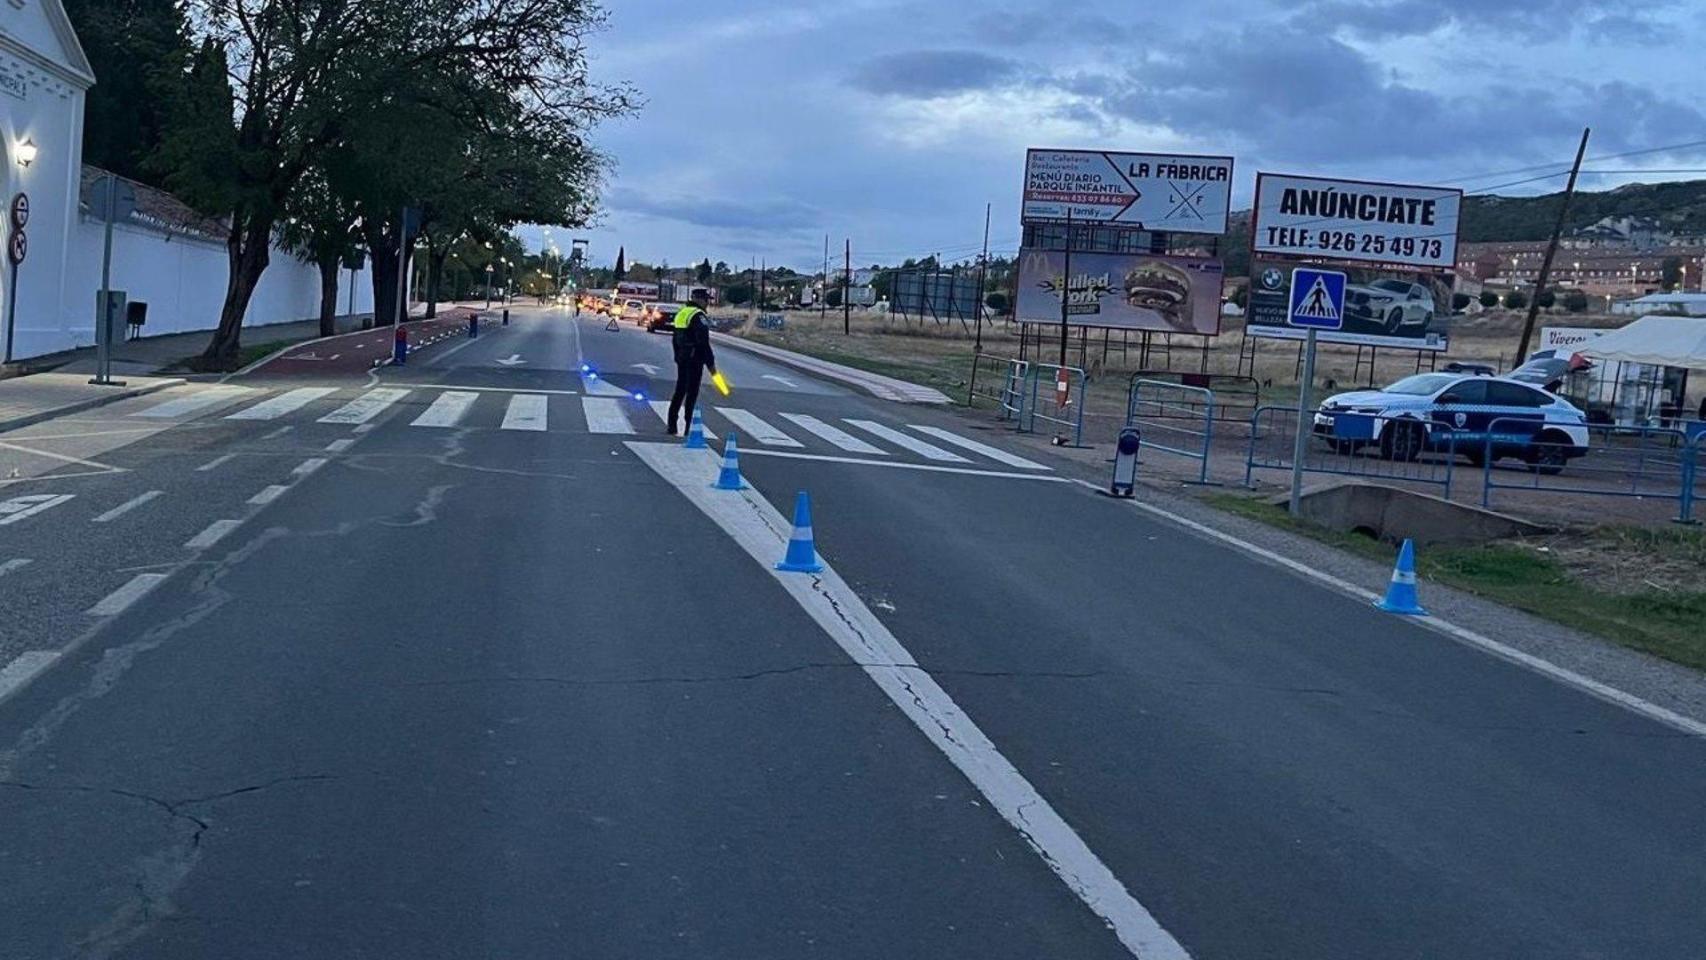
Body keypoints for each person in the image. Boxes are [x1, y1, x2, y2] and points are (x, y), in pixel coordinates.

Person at [667, 289, 717, 435]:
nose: (707, 303)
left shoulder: (683, 312)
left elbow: (675, 338)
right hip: (695, 359)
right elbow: (703, 342)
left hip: (683, 358)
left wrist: (678, 356)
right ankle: (689, 426)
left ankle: (672, 424)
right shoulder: (698, 315)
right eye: (706, 300)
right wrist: (711, 364)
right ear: (700, 300)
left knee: (680, 390)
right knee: (692, 393)